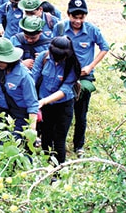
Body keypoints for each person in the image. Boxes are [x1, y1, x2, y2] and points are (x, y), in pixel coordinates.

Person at [62, 0, 109, 157]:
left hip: (84, 78)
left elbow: (105, 47)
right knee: (63, 111)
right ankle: (59, 142)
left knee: (81, 114)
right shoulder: (60, 28)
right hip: (64, 77)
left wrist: (91, 66)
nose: (77, 20)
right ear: (68, 15)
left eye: (81, 17)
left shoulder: (92, 30)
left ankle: (79, 145)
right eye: (74, 17)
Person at [31, 36, 81, 165]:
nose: (57, 62)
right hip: (44, 105)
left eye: (60, 59)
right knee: (46, 137)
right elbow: (33, 79)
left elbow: (64, 90)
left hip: (63, 106)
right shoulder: (43, 58)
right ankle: (47, 166)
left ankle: (58, 171)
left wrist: (44, 101)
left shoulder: (72, 65)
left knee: (59, 140)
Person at [0, 38, 38, 145]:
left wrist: (32, 132)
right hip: (4, 113)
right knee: (3, 145)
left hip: (20, 116)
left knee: (18, 148)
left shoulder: (24, 75)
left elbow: (32, 104)